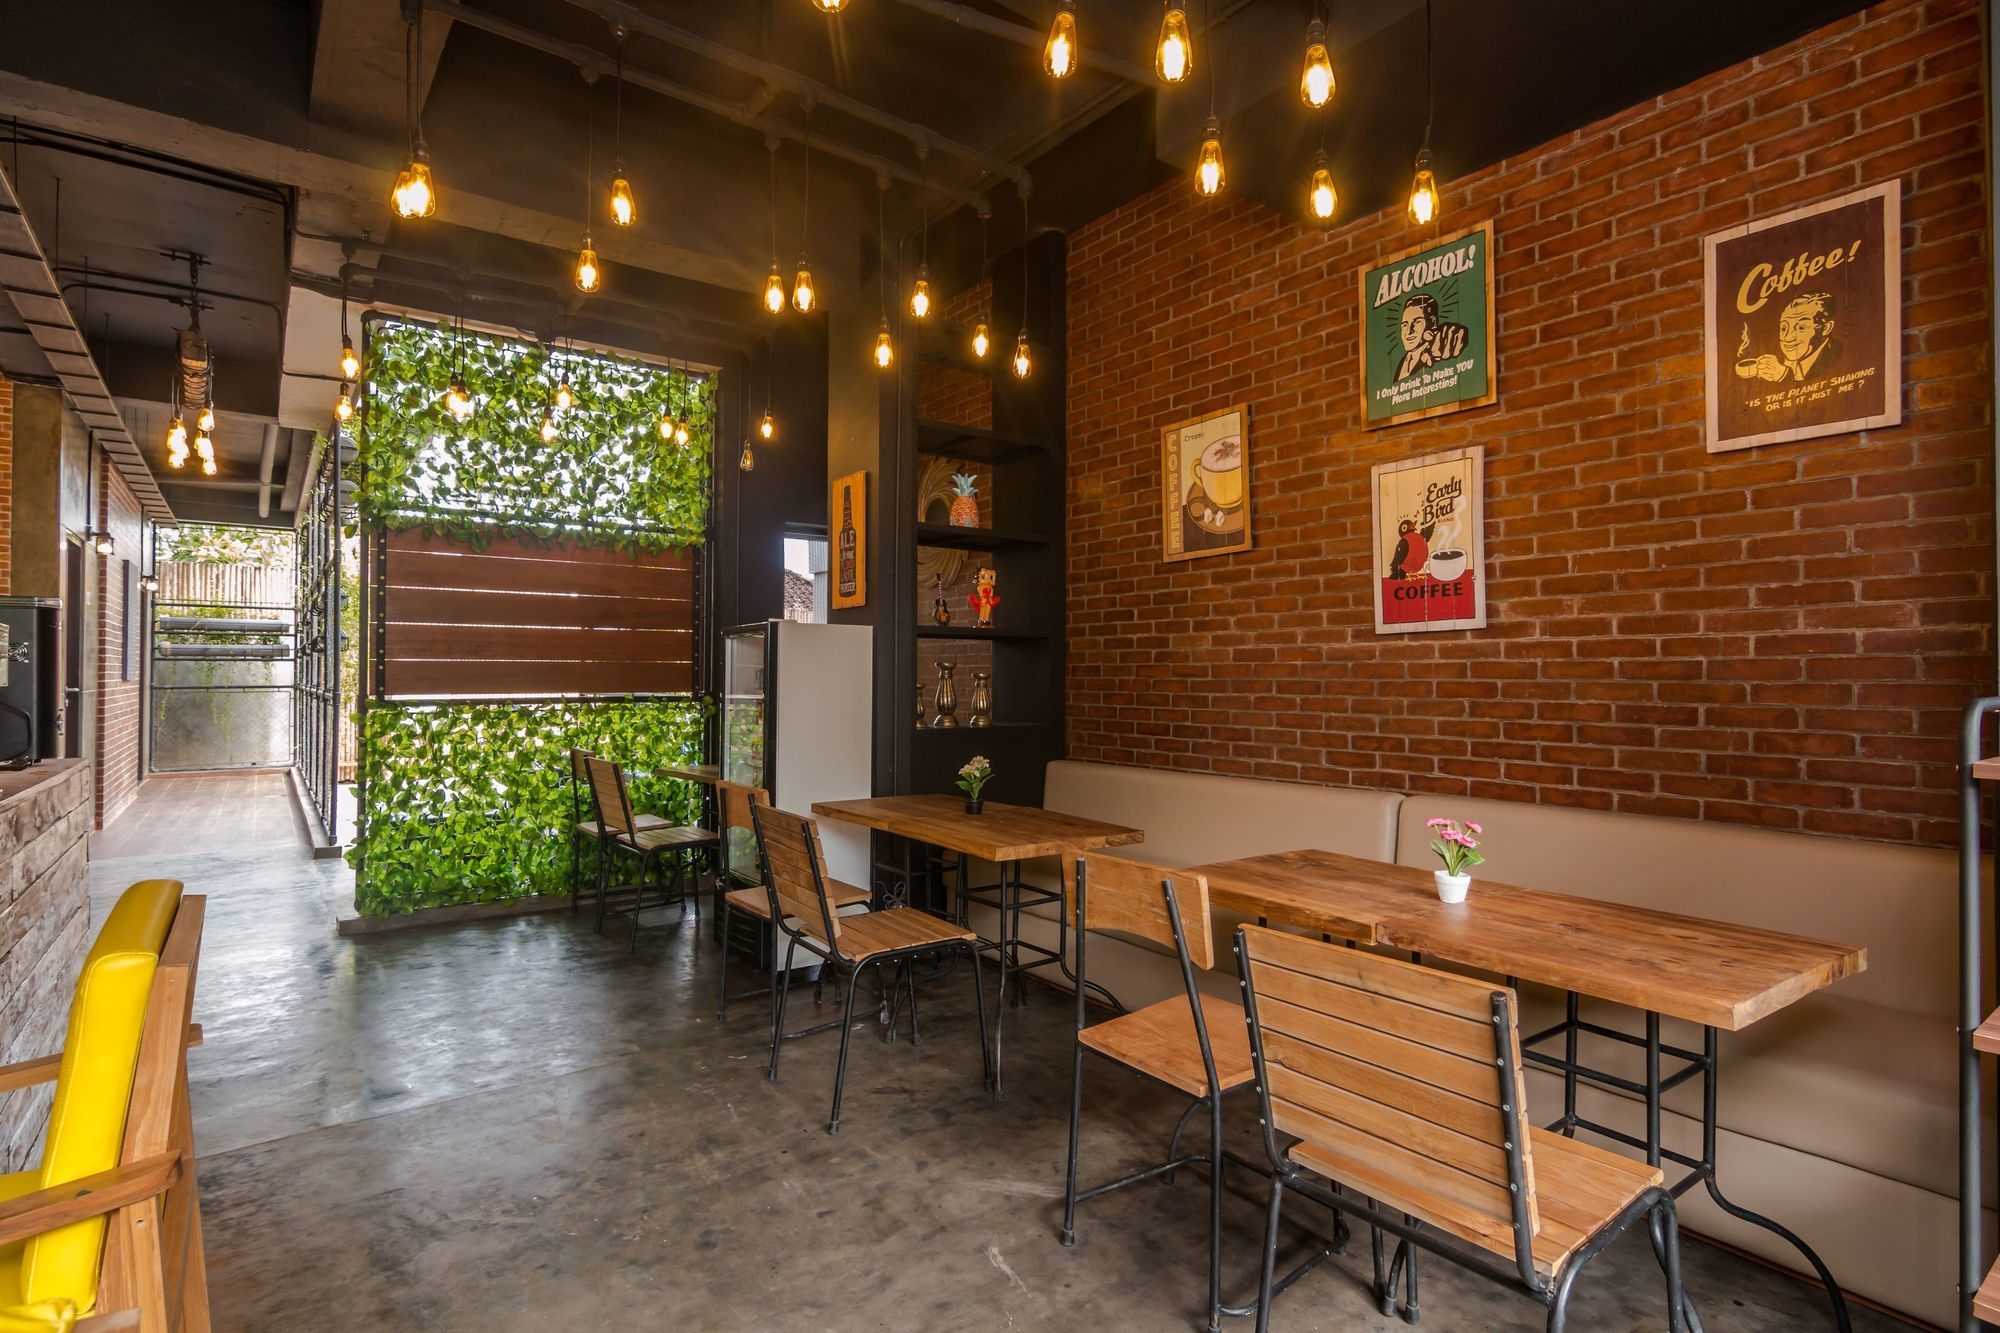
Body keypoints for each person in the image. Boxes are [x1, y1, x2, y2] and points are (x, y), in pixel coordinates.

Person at [1744, 291, 1842, 383]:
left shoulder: (1838, 357)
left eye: (1801, 328)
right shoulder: (1778, 357)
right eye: (1783, 328)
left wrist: (1784, 376)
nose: (1787, 337)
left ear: (1826, 328)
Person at [1394, 292, 1471, 382]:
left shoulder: (1437, 350)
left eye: (1417, 322)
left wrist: (1455, 335)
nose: (1409, 331)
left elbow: (1452, 334)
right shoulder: (1402, 363)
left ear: (1433, 322)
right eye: (1405, 325)